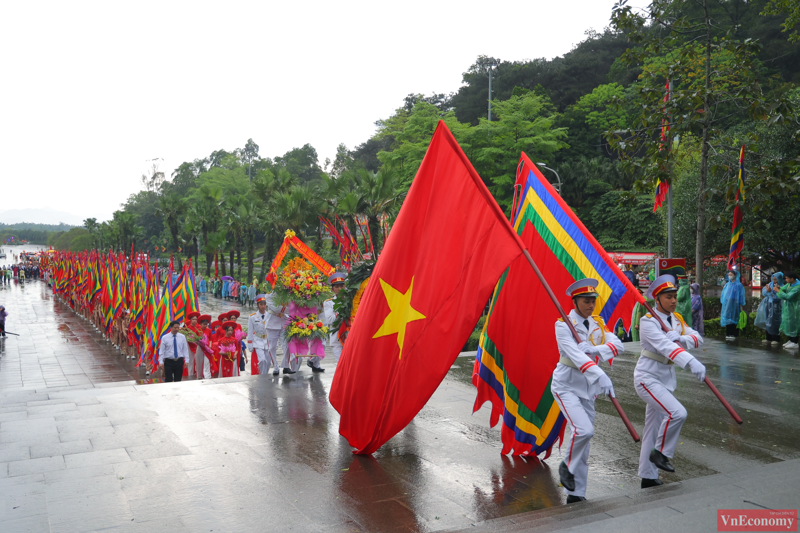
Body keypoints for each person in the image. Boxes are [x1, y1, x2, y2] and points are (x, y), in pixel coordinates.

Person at [552, 279, 623, 504]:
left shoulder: (598, 324)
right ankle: (566, 467)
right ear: (574, 302)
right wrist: (600, 374)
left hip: (588, 389)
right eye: (585, 301)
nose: (590, 305)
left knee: (584, 441)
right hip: (566, 386)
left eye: (593, 301)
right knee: (583, 431)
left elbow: (618, 345)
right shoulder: (563, 325)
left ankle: (576, 493)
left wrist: (595, 348)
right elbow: (575, 356)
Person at [636, 275, 706, 488]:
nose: (673, 301)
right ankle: (661, 453)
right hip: (647, 377)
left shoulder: (676, 320)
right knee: (677, 413)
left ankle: (648, 476)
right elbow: (665, 348)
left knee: (653, 428)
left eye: (675, 296)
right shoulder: (648, 321)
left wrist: (681, 338)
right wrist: (690, 361)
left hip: (665, 379)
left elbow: (697, 337)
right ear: (657, 300)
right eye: (668, 297)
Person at [247, 295, 281, 376]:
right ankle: (262, 375)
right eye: (261, 304)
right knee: (262, 360)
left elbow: (275, 330)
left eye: (264, 304)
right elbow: (250, 332)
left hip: (268, 340)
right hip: (258, 341)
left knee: (268, 362)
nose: (263, 306)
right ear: (258, 305)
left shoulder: (271, 315)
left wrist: (276, 343)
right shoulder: (252, 317)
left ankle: (265, 374)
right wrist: (250, 345)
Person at [321, 272, 347, 368]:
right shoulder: (329, 303)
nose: (340, 289)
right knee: (341, 366)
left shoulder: (352, 299)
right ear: (332, 289)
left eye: (342, 286)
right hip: (337, 337)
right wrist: (341, 308)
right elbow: (331, 320)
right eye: (337, 287)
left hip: (350, 335)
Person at [720, 270, 746, 341]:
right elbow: (723, 295)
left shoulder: (739, 285)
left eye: (731, 274)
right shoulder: (727, 285)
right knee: (728, 317)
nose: (729, 276)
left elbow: (741, 295)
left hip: (735, 303)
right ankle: (728, 333)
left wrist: (741, 304)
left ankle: (734, 334)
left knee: (735, 318)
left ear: (735, 275)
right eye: (729, 274)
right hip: (728, 303)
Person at [777, 272, 799, 349]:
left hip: (795, 309)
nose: (785, 280)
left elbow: (788, 296)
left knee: (794, 324)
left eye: (787, 278)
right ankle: (790, 340)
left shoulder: (797, 287)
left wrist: (778, 291)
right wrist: (779, 289)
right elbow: (783, 289)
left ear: (792, 278)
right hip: (789, 308)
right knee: (789, 323)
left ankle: (795, 342)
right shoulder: (789, 284)